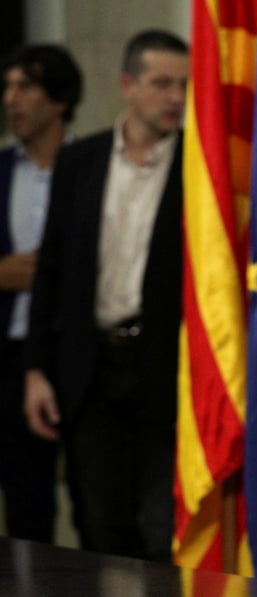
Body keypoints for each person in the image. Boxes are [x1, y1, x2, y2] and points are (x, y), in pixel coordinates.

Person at [23, 30, 188, 562]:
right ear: (127, 85)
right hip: (88, 366)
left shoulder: (200, 167)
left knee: (162, 522)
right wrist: (36, 370)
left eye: (184, 85)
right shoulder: (82, 161)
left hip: (167, 367)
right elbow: (50, 271)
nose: (176, 98)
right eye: (162, 83)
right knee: (98, 520)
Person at [0, 44, 82, 544]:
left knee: (95, 496)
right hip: (8, 353)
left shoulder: (90, 164)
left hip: (73, 349)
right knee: (25, 499)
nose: (11, 99)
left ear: (57, 99)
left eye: (24, 86)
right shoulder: (3, 170)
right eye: (7, 87)